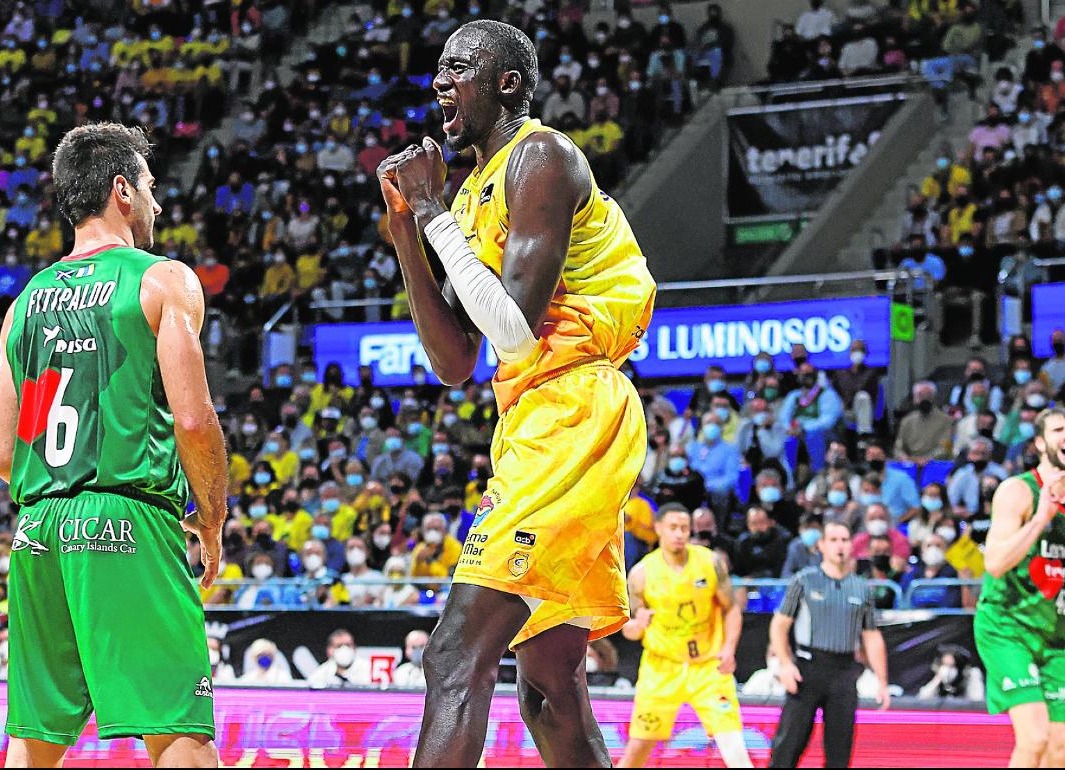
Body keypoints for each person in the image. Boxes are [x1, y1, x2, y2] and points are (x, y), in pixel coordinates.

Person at [378, 20, 655, 768]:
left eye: (458, 68)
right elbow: (455, 361)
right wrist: (410, 230)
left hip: (573, 409)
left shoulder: (542, 156)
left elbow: (516, 334)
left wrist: (433, 213)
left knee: (454, 654)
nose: (440, 82)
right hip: (532, 416)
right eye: (437, 69)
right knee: (547, 686)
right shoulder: (468, 196)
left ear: (506, 83)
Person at [0, 123, 225, 768]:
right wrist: (212, 519)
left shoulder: (24, 303)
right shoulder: (160, 282)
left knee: (34, 741)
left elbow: (4, 456)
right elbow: (195, 421)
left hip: (37, 530)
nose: (157, 203)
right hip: (124, 517)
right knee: (178, 728)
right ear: (123, 189)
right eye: (149, 187)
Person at [976, 407, 1065, 767]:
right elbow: (994, 563)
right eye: (1058, 430)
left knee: (1064, 749)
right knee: (1034, 738)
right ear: (1039, 443)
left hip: (1055, 634)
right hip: (1007, 628)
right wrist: (1040, 521)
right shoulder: (1017, 491)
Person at [618, 504, 750, 768]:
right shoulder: (641, 574)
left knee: (734, 746)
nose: (680, 534)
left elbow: (732, 608)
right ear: (658, 529)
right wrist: (639, 624)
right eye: (673, 528)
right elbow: (629, 630)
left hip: (707, 666)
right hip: (661, 667)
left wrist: (729, 648)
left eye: (685, 528)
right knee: (638, 748)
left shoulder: (711, 562)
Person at [768, 520, 890, 768]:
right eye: (833, 540)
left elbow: (871, 635)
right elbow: (779, 624)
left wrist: (883, 681)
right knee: (788, 745)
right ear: (821, 545)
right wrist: (785, 663)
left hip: (844, 671)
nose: (840, 546)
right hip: (807, 667)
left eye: (845, 540)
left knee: (840, 750)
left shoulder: (862, 588)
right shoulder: (804, 581)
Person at [307, 628, 372, 688]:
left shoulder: (369, 669)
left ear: (354, 647)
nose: (344, 649)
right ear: (329, 650)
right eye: (339, 646)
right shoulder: (322, 673)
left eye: (348, 645)